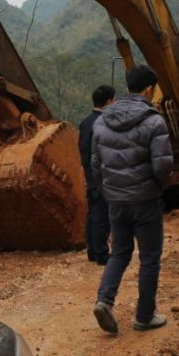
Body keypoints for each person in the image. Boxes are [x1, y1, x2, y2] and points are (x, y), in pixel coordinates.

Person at [90, 65, 174, 334]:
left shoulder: (102, 121)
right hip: (145, 200)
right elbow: (162, 166)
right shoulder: (153, 121)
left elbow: (95, 164)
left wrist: (108, 192)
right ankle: (144, 316)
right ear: (149, 89)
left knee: (120, 253)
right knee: (149, 257)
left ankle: (104, 301)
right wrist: (158, 189)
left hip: (116, 201)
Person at [79, 84, 116, 265]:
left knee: (93, 213)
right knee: (103, 215)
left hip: (88, 173)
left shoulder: (85, 122)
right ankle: (102, 254)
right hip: (101, 174)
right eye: (113, 100)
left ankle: (92, 251)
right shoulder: (103, 123)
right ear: (109, 101)